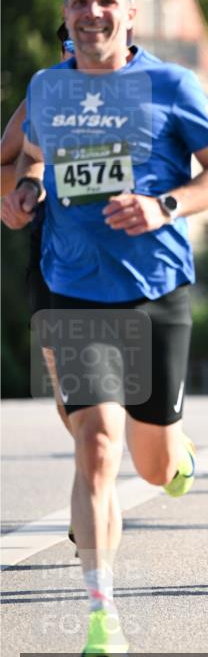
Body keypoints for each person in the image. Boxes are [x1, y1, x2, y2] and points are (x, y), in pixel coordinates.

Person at [1, 0, 208, 657]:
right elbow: (30, 159)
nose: (92, 12)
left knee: (152, 461)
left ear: (131, 14)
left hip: (155, 289)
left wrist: (164, 205)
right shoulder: (48, 86)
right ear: (67, 12)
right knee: (96, 445)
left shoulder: (170, 84)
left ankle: (175, 452)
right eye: (81, 0)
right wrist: (23, 194)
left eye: (107, 0)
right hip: (73, 288)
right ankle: (103, 619)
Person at [1, 25, 75, 433]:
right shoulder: (42, 99)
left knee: (121, 381)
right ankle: (93, 458)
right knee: (67, 383)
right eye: (70, 43)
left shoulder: (146, 91)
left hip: (120, 249)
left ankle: (158, 440)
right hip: (50, 248)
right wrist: (22, 192)